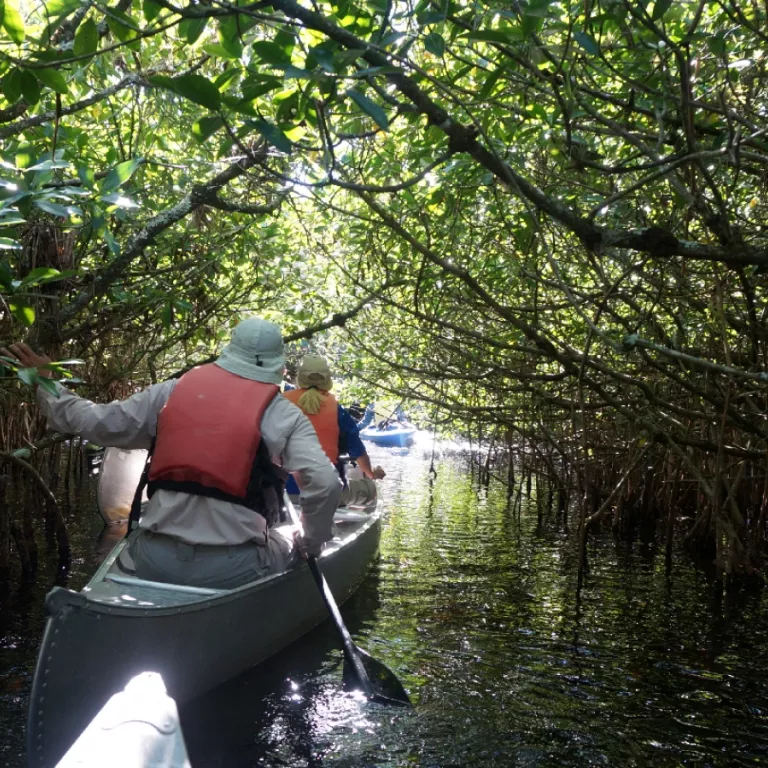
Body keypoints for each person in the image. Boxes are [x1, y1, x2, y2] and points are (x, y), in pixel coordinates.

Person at [1, 319, 341, 589]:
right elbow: (325, 484)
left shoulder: (172, 391)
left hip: (153, 557)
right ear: (278, 367)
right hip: (234, 567)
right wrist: (311, 543)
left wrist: (47, 382)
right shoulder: (284, 414)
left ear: (228, 352)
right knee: (288, 541)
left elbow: (94, 421)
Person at [283, 355, 384, 507]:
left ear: (299, 379)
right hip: (328, 494)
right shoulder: (338, 412)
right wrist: (371, 473)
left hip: (286, 493)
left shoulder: (280, 404)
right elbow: (358, 453)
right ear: (327, 381)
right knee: (370, 489)